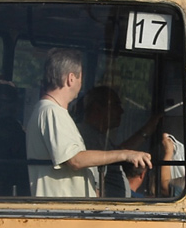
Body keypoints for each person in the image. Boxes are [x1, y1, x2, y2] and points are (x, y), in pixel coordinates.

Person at [26, 48, 151, 197]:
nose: (81, 83)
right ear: (71, 78)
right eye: (81, 77)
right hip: (64, 213)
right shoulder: (52, 112)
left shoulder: (51, 112)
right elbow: (75, 160)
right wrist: (125, 154)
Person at [79, 85, 160, 197]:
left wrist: (147, 130)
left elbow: (117, 152)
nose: (121, 111)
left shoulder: (98, 137)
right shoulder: (87, 137)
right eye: (116, 105)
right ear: (97, 108)